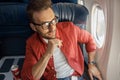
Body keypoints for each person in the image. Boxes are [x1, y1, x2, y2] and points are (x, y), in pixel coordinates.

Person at [21, 0, 102, 80]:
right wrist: (48, 54)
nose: (52, 28)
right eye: (45, 24)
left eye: (53, 20)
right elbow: (28, 77)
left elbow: (89, 39)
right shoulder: (31, 43)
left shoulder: (70, 28)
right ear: (34, 27)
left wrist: (91, 64)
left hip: (75, 75)